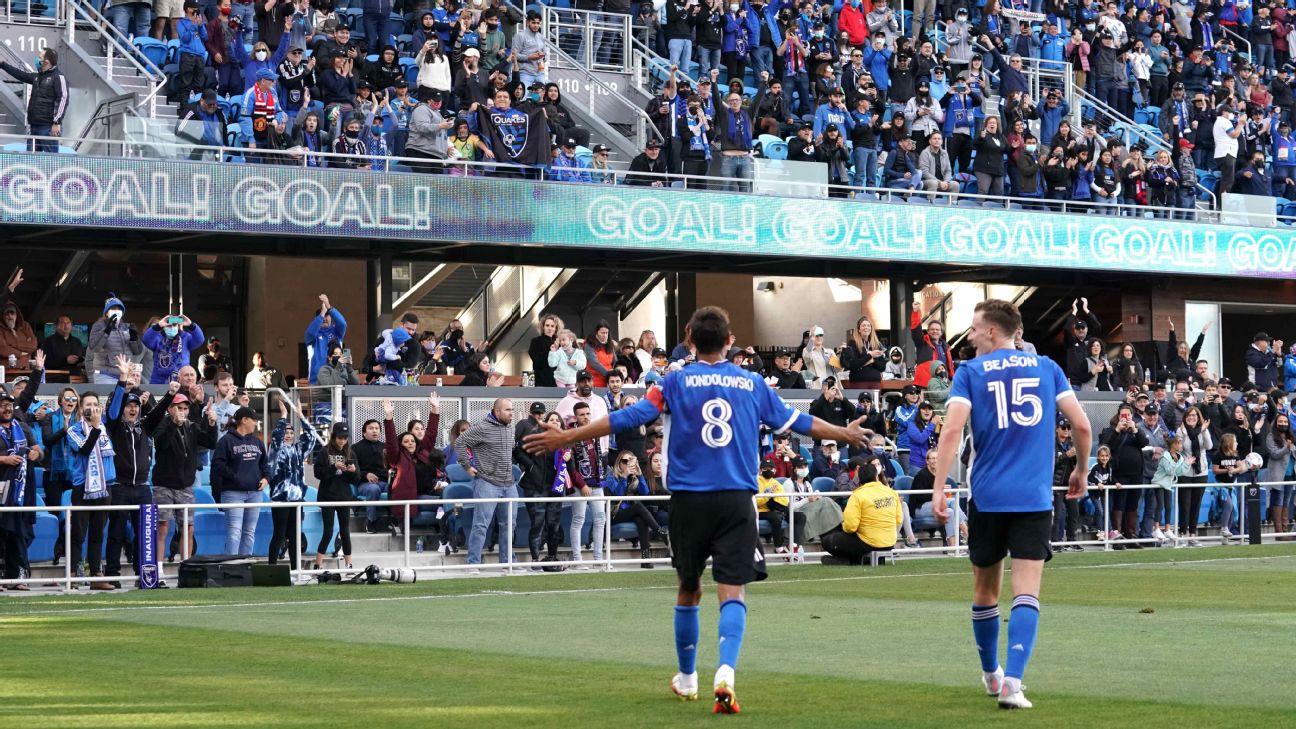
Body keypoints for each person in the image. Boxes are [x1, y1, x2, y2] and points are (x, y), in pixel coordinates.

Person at [522, 305, 870, 714]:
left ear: (688, 337)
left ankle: (688, 679)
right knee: (732, 590)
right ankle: (725, 672)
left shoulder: (673, 382)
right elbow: (801, 422)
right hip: (737, 500)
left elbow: (628, 417)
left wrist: (568, 437)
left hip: (688, 501)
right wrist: (845, 432)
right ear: (730, 341)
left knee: (689, 588)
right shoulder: (753, 383)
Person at [929, 299, 1091, 710]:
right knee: (1027, 592)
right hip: (1033, 498)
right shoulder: (1049, 369)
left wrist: (938, 487)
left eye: (975, 327)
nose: (970, 334)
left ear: (995, 333)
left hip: (988, 496)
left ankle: (990, 674)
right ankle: (1013, 683)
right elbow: (1082, 424)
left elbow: (951, 433)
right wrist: (1081, 470)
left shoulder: (969, 372)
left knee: (985, 592)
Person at [148, 386, 217, 564]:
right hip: (164, 485)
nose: (183, 412)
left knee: (188, 528)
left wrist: (211, 424)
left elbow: (210, 442)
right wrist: (174, 425)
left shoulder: (191, 426)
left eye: (185, 408)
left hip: (185, 485)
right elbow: (161, 444)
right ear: (170, 409)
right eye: (179, 408)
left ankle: (185, 567)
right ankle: (158, 569)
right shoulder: (162, 424)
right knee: (162, 527)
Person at [455, 398, 517, 573]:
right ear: (497, 412)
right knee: (481, 524)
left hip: (509, 483)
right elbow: (460, 442)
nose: (511, 413)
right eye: (507, 410)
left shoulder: (510, 427)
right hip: (487, 482)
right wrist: (467, 466)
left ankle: (507, 562)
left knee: (509, 524)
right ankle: (473, 563)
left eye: (512, 409)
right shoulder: (482, 427)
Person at [211, 406, 270, 556]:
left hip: (255, 493)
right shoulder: (226, 441)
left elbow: (265, 466)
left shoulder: (258, 442)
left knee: (249, 531)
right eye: (254, 420)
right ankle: (231, 567)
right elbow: (217, 465)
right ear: (244, 420)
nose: (256, 424)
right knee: (234, 532)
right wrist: (236, 477)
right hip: (232, 493)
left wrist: (266, 478)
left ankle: (245, 565)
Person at [267, 397, 318, 571]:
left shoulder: (299, 449)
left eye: (290, 432)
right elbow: (276, 436)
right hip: (280, 499)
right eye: (285, 432)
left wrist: (301, 417)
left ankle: (296, 571)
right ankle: (272, 569)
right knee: (279, 535)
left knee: (295, 537)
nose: (288, 435)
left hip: (297, 500)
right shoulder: (275, 448)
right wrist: (283, 416)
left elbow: (311, 436)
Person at [820, 463, 902, 564]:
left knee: (828, 541)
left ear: (859, 478)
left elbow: (850, 527)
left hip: (868, 543)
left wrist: (843, 526)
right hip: (890, 542)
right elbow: (898, 519)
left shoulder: (858, 495)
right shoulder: (892, 493)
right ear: (876, 476)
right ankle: (858, 560)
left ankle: (850, 561)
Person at [383, 393, 439, 537]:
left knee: (450, 495)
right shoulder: (397, 457)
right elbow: (391, 441)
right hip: (413, 497)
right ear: (401, 445)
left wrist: (435, 408)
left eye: (412, 441)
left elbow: (431, 433)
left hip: (429, 492)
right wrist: (389, 417)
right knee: (444, 502)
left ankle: (446, 531)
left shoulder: (423, 451)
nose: (410, 443)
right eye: (406, 441)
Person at [0, 47, 67, 153]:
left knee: (52, 160)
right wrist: (3, 64)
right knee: (31, 161)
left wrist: (57, 122)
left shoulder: (58, 77)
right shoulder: (38, 77)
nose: (37, 59)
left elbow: (63, 99)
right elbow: (21, 75)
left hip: (48, 127)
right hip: (34, 125)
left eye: (40, 57)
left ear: (46, 62)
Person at [313, 421, 359, 570]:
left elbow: (357, 478)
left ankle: (349, 564)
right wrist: (333, 467)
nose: (342, 441)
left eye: (345, 438)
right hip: (328, 496)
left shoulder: (350, 452)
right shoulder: (325, 451)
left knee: (345, 531)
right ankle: (318, 563)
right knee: (328, 530)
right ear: (334, 437)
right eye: (340, 437)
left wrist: (352, 471)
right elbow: (318, 473)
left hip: (344, 496)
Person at [306, 294, 347, 384]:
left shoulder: (337, 332)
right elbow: (309, 333)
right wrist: (322, 313)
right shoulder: (313, 335)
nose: (324, 318)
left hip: (337, 378)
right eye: (321, 316)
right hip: (316, 381)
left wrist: (329, 307)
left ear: (331, 317)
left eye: (327, 315)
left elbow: (343, 323)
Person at [528, 315, 562, 387]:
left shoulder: (560, 343)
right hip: (541, 380)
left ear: (556, 328)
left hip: (557, 382)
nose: (550, 328)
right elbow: (537, 361)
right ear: (543, 327)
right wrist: (552, 352)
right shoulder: (536, 341)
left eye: (552, 326)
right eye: (547, 325)